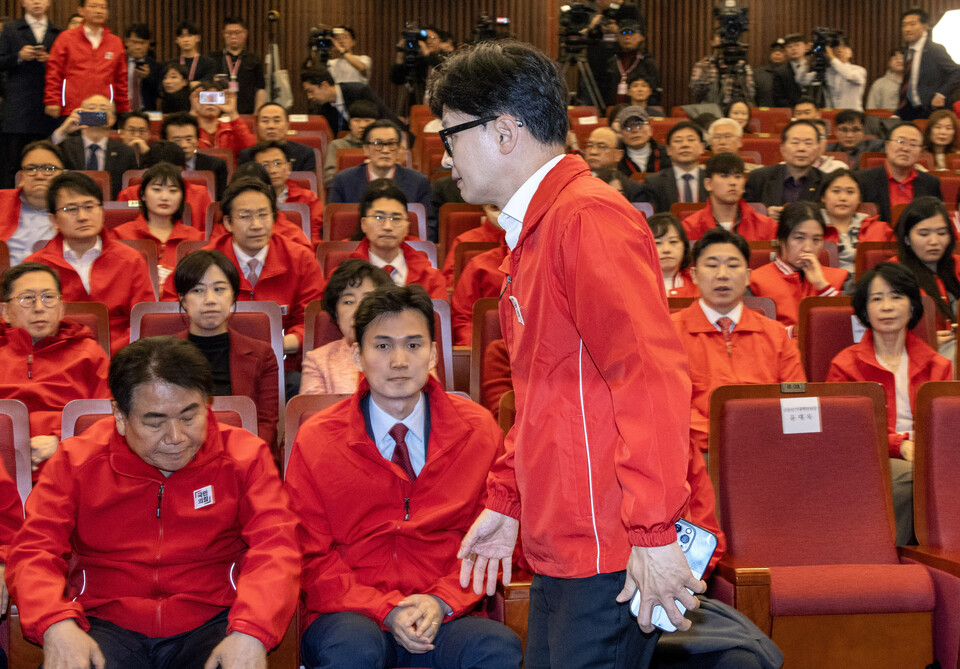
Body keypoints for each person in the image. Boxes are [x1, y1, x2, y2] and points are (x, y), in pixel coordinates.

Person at [430, 40, 702, 667]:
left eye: (449, 136)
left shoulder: (586, 220)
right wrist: (506, 503)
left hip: (611, 549)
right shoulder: (535, 232)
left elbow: (649, 379)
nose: (444, 158)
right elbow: (542, 400)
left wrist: (657, 533)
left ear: (504, 131)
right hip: (563, 542)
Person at [6, 335, 300, 669]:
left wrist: (252, 629)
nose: (176, 437)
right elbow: (33, 550)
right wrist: (54, 623)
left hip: (217, 619)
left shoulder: (244, 456)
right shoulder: (76, 460)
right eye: (155, 422)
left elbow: (277, 547)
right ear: (119, 414)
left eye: (190, 416)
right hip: (102, 622)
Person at [286, 284, 523, 669]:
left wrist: (441, 600)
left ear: (432, 353)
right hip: (350, 613)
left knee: (494, 648)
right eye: (382, 346)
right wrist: (384, 609)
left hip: (448, 610)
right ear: (356, 355)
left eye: (413, 345)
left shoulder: (478, 431)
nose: (399, 361)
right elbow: (308, 553)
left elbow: (494, 538)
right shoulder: (318, 438)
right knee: (351, 651)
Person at [826, 262, 952, 545]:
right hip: (871, 458)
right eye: (877, 298)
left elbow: (946, 429)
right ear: (864, 311)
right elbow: (846, 433)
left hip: (929, 455)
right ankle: (892, 554)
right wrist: (900, 444)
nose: (887, 306)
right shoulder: (845, 366)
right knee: (911, 478)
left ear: (912, 306)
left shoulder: (938, 364)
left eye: (896, 296)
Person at [161, 177, 325, 378]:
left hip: (281, 364)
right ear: (228, 222)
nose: (256, 225)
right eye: (246, 216)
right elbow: (172, 308)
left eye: (263, 215)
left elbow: (311, 320)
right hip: (212, 362)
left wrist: (279, 345)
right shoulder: (203, 261)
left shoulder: (300, 259)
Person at [672, 228, 805, 456]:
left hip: (771, 449)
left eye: (733, 265)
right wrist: (727, 438)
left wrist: (765, 440)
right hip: (699, 452)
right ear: (693, 274)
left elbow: (796, 399)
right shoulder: (671, 333)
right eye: (712, 265)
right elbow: (672, 407)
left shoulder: (775, 334)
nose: (722, 274)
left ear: (747, 275)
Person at [26, 171, 155, 353]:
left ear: (102, 211)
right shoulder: (36, 267)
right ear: (53, 220)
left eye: (89, 206)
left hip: (122, 359)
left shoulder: (131, 260)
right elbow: (27, 325)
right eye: (71, 209)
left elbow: (144, 323)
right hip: (56, 358)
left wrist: (109, 355)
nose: (82, 216)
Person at [0, 261, 110, 474]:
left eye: (48, 298)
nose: (39, 308)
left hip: (72, 463)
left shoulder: (88, 353)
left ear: (61, 308)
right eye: (27, 299)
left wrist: (61, 440)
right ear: (5, 311)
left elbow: (107, 418)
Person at [174, 250, 279, 446]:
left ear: (233, 296)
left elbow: (266, 425)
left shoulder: (262, 354)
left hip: (242, 457)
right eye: (198, 290)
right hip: (179, 455)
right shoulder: (163, 356)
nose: (210, 299)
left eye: (220, 289)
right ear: (182, 299)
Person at [748, 200, 849, 333]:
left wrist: (823, 286)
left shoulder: (841, 278)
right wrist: (795, 332)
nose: (808, 248)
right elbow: (752, 332)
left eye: (816, 240)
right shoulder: (754, 281)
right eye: (799, 238)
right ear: (781, 239)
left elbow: (848, 329)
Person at [299, 259, 391, 395]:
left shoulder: (407, 353)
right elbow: (314, 415)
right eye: (348, 302)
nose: (358, 310)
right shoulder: (318, 361)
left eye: (368, 300)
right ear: (336, 313)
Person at [329, 120, 433, 239]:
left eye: (391, 144)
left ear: (399, 148)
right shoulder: (343, 180)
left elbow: (428, 227)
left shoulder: (418, 181)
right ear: (366, 148)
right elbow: (335, 225)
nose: (385, 150)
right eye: (378, 144)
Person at [344, 180, 446, 299]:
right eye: (378, 217)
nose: (387, 226)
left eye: (396, 219)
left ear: (407, 227)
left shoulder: (431, 279)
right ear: (364, 224)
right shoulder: (345, 275)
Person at [0, 0, 62, 189]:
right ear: (23, 3)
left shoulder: (58, 33)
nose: (37, 2)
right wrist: (18, 56)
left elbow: (66, 69)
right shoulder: (10, 29)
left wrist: (49, 60)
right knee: (14, 165)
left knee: (49, 164)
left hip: (48, 109)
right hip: (17, 109)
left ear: (49, 3)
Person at [114, 161, 204, 284]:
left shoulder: (196, 239)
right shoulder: (120, 236)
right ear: (143, 195)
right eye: (157, 190)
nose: (164, 197)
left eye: (173, 191)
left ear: (182, 197)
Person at [892, 196, 960, 356]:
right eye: (924, 234)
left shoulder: (957, 265)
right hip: (916, 356)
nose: (934, 241)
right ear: (907, 238)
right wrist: (923, 339)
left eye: (942, 233)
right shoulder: (892, 275)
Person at [43, 0, 127, 118]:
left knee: (98, 136)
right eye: (93, 6)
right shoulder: (66, 38)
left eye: (103, 7)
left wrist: (123, 107)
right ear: (81, 10)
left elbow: (121, 78)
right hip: (72, 108)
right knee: (74, 136)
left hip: (104, 109)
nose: (99, 11)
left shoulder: (115, 42)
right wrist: (52, 100)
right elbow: (54, 72)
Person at [50, 93, 138, 199]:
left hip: (110, 207)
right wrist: (63, 131)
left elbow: (131, 189)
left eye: (103, 108)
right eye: (91, 108)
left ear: (112, 119)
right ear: (80, 114)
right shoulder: (65, 147)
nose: (97, 111)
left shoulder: (125, 152)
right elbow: (45, 157)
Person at [855, 121, 942, 225]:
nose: (905, 148)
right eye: (900, 141)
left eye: (913, 144)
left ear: (920, 151)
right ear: (887, 145)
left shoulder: (931, 183)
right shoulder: (863, 180)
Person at [114, 140, 212, 230]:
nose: (164, 196)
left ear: (182, 169)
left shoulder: (200, 193)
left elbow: (208, 233)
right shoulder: (128, 194)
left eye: (172, 172)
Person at [682, 153, 777, 241]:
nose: (733, 182)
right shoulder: (689, 228)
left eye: (738, 176)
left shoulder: (767, 226)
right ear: (708, 184)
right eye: (724, 176)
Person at [819, 169, 892, 281]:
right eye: (836, 191)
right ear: (823, 197)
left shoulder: (880, 229)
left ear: (859, 199)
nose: (843, 198)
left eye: (850, 192)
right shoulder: (811, 229)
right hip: (824, 290)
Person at [745, 120, 825, 220]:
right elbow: (743, 212)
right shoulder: (759, 178)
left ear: (818, 149)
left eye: (808, 143)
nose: (801, 148)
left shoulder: (825, 182)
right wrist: (764, 213)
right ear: (782, 149)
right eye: (795, 142)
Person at [0, 140, 63, 265]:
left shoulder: (74, 209)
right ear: (21, 176)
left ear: (61, 175)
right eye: (31, 169)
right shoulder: (2, 201)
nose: (39, 175)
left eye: (48, 168)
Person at [252, 140, 323, 241]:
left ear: (288, 167)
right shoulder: (248, 201)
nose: (273, 170)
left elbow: (313, 238)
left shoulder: (308, 199)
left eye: (277, 163)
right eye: (265, 165)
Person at [898, 8, 960, 120]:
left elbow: (957, 72)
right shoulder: (908, 53)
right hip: (911, 109)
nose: (907, 29)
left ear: (924, 26)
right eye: (904, 25)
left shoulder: (935, 49)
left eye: (912, 24)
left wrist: (941, 94)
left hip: (932, 110)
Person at [301, 67, 398, 137]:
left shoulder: (359, 92)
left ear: (324, 85)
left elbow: (385, 117)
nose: (309, 97)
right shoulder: (322, 109)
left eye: (311, 91)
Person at [450, 232, 508, 344]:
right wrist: (479, 353)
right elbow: (463, 319)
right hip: (488, 354)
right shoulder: (479, 266)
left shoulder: (548, 266)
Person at [638, 121, 707, 212]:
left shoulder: (713, 180)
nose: (684, 145)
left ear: (702, 147)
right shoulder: (654, 183)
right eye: (678, 141)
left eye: (691, 140)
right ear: (669, 150)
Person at [161, 112, 228, 198]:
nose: (183, 145)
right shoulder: (156, 166)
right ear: (165, 142)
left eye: (189, 139)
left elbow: (219, 203)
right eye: (177, 140)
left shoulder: (216, 165)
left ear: (197, 140)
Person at [208, 17, 264, 115]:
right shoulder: (213, 58)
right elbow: (207, 88)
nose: (233, 36)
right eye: (229, 33)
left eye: (237, 33)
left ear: (245, 33)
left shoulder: (254, 59)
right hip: (219, 114)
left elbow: (261, 89)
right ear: (223, 34)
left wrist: (257, 113)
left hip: (247, 113)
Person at [237, 102, 317, 172]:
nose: (271, 126)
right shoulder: (247, 155)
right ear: (257, 127)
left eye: (277, 121)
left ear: (287, 126)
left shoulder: (304, 154)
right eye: (265, 121)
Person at [441, 203, 505, 287]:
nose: (503, 214)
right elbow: (450, 282)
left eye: (509, 207)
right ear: (484, 208)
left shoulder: (526, 240)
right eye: (495, 208)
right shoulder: (464, 241)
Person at [601, 19, 661, 108]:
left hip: (641, 110)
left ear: (641, 37)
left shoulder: (647, 62)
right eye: (623, 33)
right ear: (617, 37)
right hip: (614, 109)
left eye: (631, 33)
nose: (627, 37)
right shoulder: (612, 61)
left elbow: (654, 91)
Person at [689, 30, 756, 106]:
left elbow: (750, 93)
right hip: (709, 111)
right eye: (720, 37)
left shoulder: (742, 66)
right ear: (712, 42)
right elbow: (695, 92)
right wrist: (705, 73)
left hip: (734, 111)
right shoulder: (703, 65)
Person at [190, 79, 256, 154]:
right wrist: (193, 112)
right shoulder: (190, 130)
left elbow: (251, 148)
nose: (210, 103)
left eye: (215, 98)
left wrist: (232, 113)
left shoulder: (231, 129)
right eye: (205, 98)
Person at [323, 99, 378, 187]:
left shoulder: (380, 145)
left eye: (367, 121)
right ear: (349, 124)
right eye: (357, 120)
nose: (362, 126)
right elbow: (329, 179)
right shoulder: (337, 145)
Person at [798, 40, 866, 110]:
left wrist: (832, 57)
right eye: (835, 48)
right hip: (833, 114)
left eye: (844, 47)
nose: (839, 50)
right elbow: (801, 80)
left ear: (851, 53)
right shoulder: (826, 72)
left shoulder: (858, 70)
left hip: (854, 114)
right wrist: (806, 61)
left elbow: (849, 75)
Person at [650, 212, 697, 298]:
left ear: (685, 246)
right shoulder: (634, 285)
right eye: (658, 243)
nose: (666, 250)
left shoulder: (698, 283)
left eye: (673, 242)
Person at [616, 105, 670, 175]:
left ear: (650, 129)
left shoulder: (668, 154)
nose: (634, 130)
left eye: (639, 125)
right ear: (621, 133)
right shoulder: (616, 159)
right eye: (628, 127)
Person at [123, 23, 159, 111]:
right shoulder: (119, 62)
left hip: (146, 113)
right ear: (126, 41)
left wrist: (148, 77)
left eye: (143, 43)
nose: (138, 47)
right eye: (134, 42)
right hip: (121, 110)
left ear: (148, 44)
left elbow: (160, 93)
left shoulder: (155, 66)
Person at [772, 34, 808, 108]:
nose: (793, 49)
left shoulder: (814, 67)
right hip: (791, 111)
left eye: (797, 45)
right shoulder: (780, 72)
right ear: (785, 51)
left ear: (806, 47)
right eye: (789, 47)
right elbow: (778, 98)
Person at [754, 39, 786, 107]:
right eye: (775, 51)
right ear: (770, 54)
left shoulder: (792, 73)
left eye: (782, 51)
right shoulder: (758, 73)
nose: (778, 53)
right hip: (764, 113)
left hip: (786, 113)